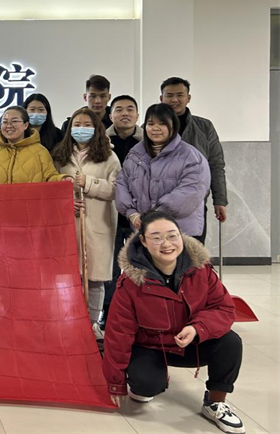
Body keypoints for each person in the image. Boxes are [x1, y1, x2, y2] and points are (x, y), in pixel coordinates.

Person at [104, 211, 245, 434]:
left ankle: (215, 402)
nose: (166, 244)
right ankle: (144, 384)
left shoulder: (201, 270)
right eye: (156, 237)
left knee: (230, 342)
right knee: (146, 385)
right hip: (150, 346)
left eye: (172, 236)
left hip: (189, 343)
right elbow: (118, 333)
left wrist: (197, 328)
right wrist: (115, 382)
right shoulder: (130, 282)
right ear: (143, 241)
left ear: (181, 235)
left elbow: (224, 308)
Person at [52, 108, 121, 341]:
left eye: (87, 125)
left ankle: (91, 324)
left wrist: (89, 183)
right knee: (70, 276)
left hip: (98, 223)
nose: (81, 129)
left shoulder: (108, 156)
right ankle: (69, 321)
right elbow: (52, 185)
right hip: (68, 223)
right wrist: (66, 202)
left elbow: (117, 190)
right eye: (77, 124)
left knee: (94, 277)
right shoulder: (60, 155)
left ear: (96, 128)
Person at [116, 103, 210, 238]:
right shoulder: (135, 154)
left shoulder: (190, 156)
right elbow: (122, 183)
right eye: (150, 124)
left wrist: (156, 215)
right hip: (146, 231)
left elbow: (191, 191)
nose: (155, 128)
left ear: (174, 126)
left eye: (162, 124)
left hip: (180, 233)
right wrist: (132, 213)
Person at [161, 77, 227, 244]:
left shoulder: (204, 127)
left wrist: (219, 200)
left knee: (193, 252)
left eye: (180, 95)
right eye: (169, 95)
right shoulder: (150, 127)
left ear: (188, 98)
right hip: (160, 203)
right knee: (163, 251)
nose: (174, 100)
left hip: (194, 203)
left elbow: (216, 165)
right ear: (161, 98)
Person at [102, 94, 144, 327]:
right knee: (110, 268)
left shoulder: (148, 142)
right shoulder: (101, 142)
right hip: (111, 214)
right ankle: (109, 314)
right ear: (111, 116)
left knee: (141, 265)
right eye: (119, 109)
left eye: (130, 109)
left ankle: (141, 314)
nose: (125, 113)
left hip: (141, 215)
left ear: (137, 115)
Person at [0, 106, 71, 185]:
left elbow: (50, 176)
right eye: (5, 122)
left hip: (29, 205)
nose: (9, 126)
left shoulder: (40, 151)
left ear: (26, 125)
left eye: (14, 121)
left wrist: (62, 179)